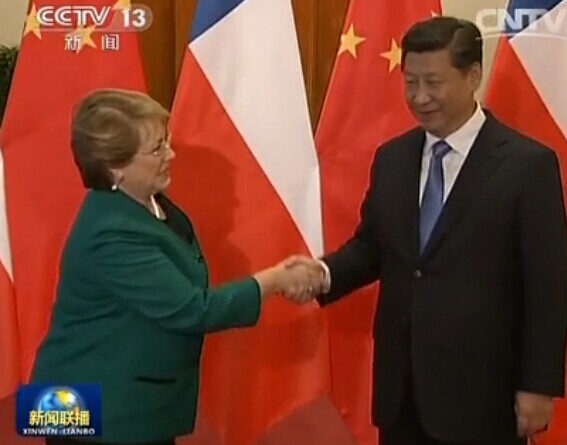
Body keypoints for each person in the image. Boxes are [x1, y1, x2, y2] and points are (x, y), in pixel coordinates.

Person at [285, 16, 567, 445]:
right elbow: (372, 248)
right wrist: (321, 273)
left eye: (433, 82)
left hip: (484, 393)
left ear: (472, 75)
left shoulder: (528, 166)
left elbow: (548, 286)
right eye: (411, 82)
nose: (419, 97)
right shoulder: (393, 158)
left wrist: (538, 386)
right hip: (402, 391)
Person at [31, 89, 319, 445]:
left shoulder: (148, 203)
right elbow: (192, 310)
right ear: (116, 168)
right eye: (157, 149)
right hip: (92, 410)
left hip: (130, 404)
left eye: (166, 141)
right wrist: (275, 280)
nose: (171, 154)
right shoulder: (111, 232)